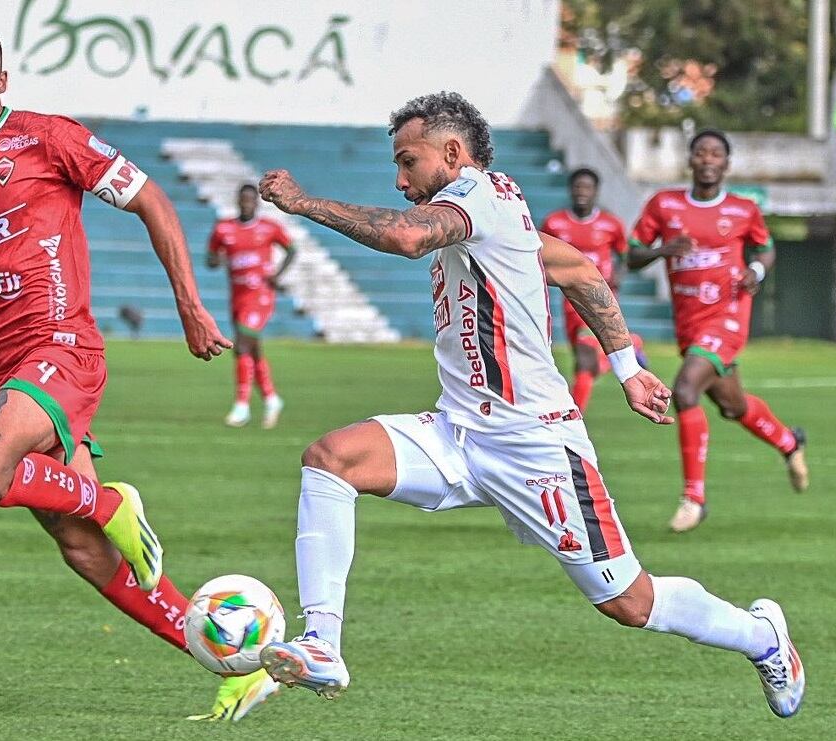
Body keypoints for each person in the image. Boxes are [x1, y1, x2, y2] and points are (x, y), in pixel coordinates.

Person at [255, 92, 804, 718]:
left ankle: (764, 638)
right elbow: (576, 268)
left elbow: (408, 238)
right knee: (331, 458)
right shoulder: (501, 207)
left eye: (409, 162)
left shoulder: (474, 200)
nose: (399, 179)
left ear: (453, 154)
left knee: (630, 602)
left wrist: (303, 203)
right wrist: (627, 368)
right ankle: (322, 642)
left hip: (535, 445)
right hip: (458, 432)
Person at [0, 20, 277, 722]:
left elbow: (151, 200)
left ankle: (114, 503)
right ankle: (233, 664)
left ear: (3, 77)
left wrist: (191, 306)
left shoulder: (49, 138)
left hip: (62, 346)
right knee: (79, 546)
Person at [628, 129, 808, 533]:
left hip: (727, 317)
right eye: (701, 152)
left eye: (716, 154)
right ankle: (789, 443)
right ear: (690, 160)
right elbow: (633, 254)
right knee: (732, 406)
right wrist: (663, 250)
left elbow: (765, 248)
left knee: (686, 389)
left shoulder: (744, 210)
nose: (708, 159)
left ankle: (694, 498)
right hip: (690, 324)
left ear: (726, 164)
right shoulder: (664, 204)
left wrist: (756, 271)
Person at [540, 168, 647, 411]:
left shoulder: (611, 224)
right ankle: (633, 344)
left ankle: (572, 419)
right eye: (578, 187)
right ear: (570, 189)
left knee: (584, 363)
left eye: (587, 187)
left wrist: (617, 276)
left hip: (599, 297)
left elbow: (624, 257)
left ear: (596, 192)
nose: (582, 192)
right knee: (585, 360)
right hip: (569, 299)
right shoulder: (554, 222)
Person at [206, 183, 295, 428]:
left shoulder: (269, 228)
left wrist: (278, 275)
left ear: (256, 202)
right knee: (253, 350)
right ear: (238, 201)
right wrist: (215, 260)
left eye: (250, 199)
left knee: (241, 345)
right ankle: (271, 398)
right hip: (238, 296)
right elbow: (211, 257)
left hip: (261, 295)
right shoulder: (224, 229)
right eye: (242, 199)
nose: (246, 203)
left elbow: (291, 249)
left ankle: (241, 406)